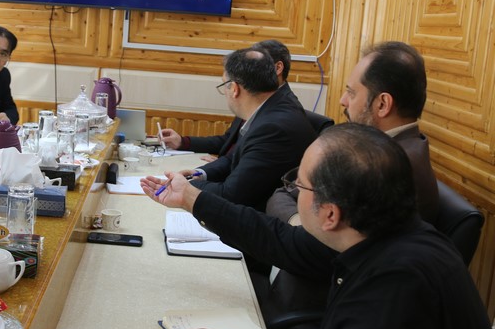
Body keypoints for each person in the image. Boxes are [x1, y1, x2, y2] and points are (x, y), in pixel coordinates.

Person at [140, 124, 495, 329]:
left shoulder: (391, 290)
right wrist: (192, 198)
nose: (294, 190)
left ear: (330, 214)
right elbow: (279, 239)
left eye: (299, 185)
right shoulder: (386, 233)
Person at [266, 41, 438, 225]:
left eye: (352, 93)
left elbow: (328, 235)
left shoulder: (386, 169)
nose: (343, 100)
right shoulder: (372, 143)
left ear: (382, 104)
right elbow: (286, 190)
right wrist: (299, 218)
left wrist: (302, 226)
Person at [175, 48, 315, 213]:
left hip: (262, 217)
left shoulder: (271, 128)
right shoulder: (269, 110)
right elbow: (234, 157)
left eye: (224, 85)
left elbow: (231, 195)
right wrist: (199, 174)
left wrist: (186, 186)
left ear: (234, 89)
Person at [160, 40, 300, 161]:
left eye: (259, 63)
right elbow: (229, 140)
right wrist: (182, 142)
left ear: (278, 68)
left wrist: (223, 167)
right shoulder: (252, 95)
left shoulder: (282, 110)